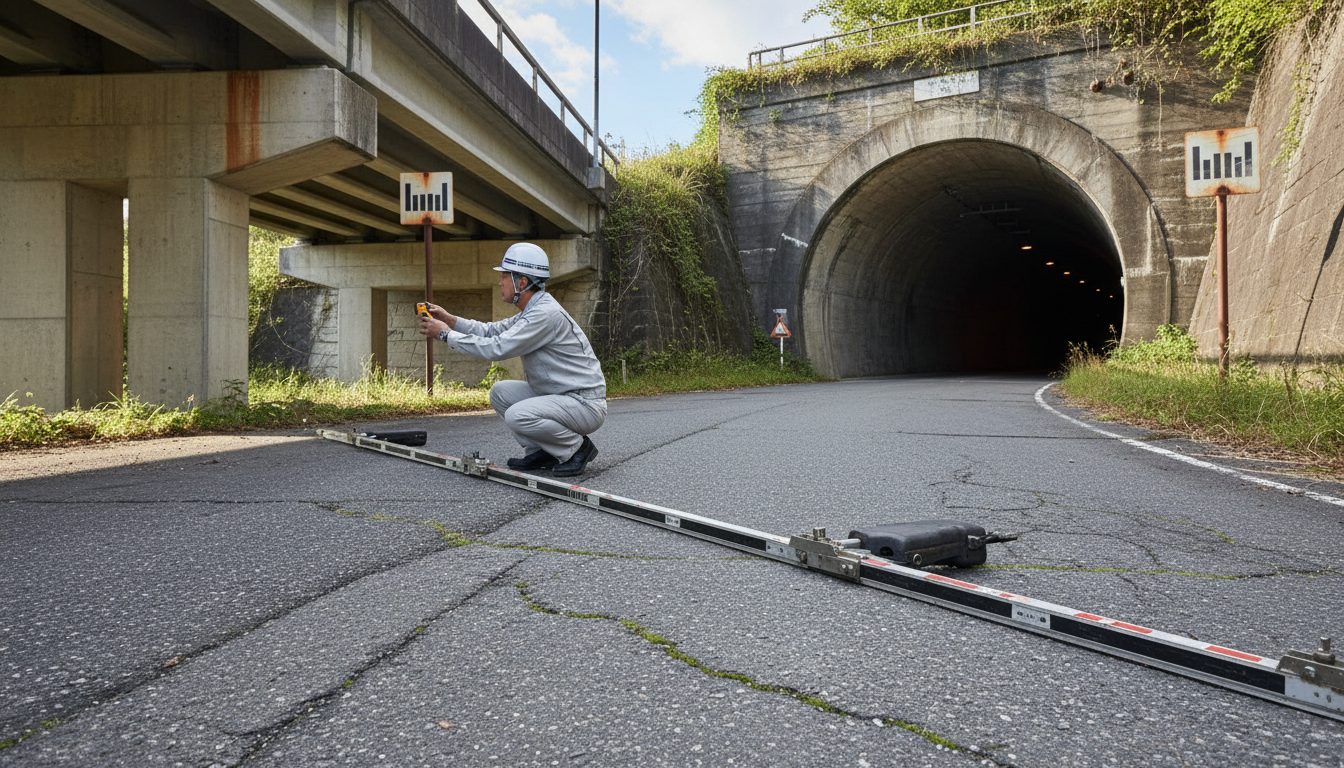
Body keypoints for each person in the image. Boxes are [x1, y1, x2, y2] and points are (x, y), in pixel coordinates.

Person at [417, 242, 605, 477]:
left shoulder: (544, 315)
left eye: (505, 276)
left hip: (583, 404)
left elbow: (497, 348)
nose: (500, 282)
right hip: (560, 396)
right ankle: (544, 450)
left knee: (518, 414)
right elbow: (491, 331)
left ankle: (576, 449)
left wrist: (446, 334)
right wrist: (451, 320)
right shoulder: (533, 310)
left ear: (522, 282)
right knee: (501, 393)